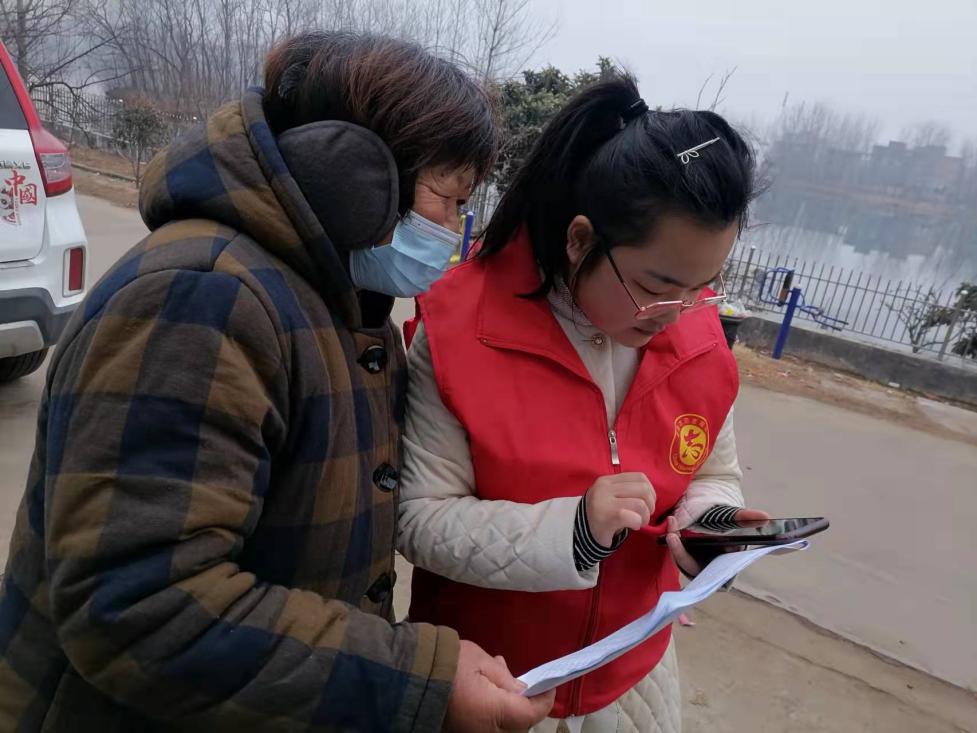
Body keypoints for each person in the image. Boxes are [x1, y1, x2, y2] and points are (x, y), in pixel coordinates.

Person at [0, 31, 554, 732]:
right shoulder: (201, 300)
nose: (451, 231)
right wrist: (415, 682)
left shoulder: (343, 308)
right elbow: (141, 606)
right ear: (355, 176)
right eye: (447, 200)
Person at [398, 71, 767, 732]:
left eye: (704, 285)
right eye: (657, 286)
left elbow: (711, 468)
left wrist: (709, 523)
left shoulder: (696, 333)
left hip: (634, 674)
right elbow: (419, 517)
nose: (679, 310)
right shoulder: (459, 331)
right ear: (579, 239)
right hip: (492, 678)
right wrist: (575, 530)